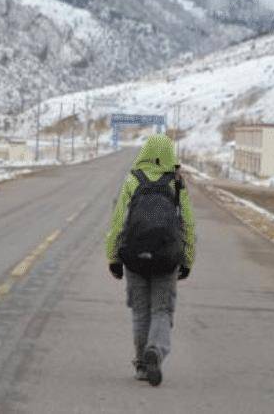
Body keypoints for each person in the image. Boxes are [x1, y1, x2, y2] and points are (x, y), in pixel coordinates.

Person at [105, 134, 196, 386]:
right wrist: (187, 259)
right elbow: (187, 222)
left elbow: (118, 221)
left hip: (135, 257)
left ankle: (142, 366)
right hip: (166, 258)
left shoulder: (133, 180)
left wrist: (113, 256)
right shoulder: (176, 183)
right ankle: (155, 350)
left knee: (140, 312)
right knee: (161, 310)